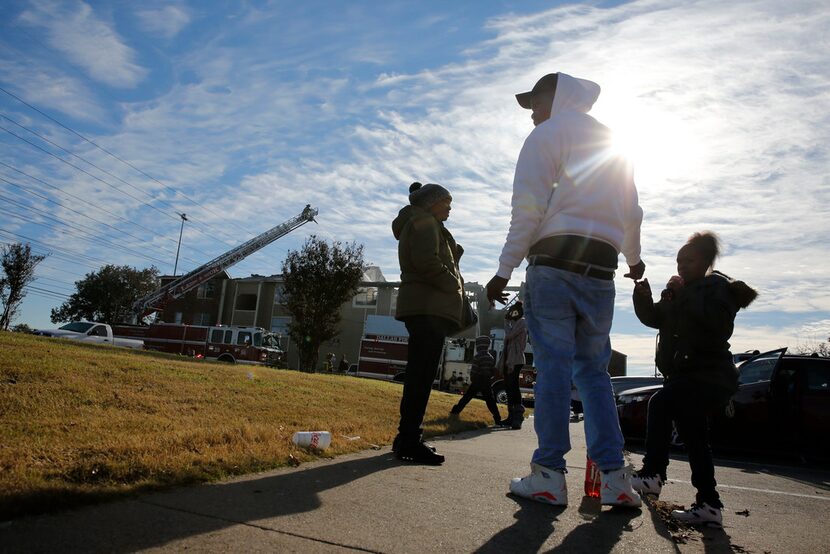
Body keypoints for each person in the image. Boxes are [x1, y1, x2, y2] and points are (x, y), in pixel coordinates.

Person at [486, 72, 645, 507]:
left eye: (536, 103)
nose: (533, 113)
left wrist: (503, 270)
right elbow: (632, 211)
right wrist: (633, 259)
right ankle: (615, 479)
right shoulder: (614, 143)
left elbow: (528, 210)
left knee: (554, 366)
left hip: (554, 266)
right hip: (602, 270)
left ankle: (549, 475)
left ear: (556, 99)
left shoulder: (546, 136)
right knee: (593, 373)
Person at [631, 231, 757, 526]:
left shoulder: (718, 289)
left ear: (706, 262)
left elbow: (717, 326)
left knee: (660, 404)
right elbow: (655, 318)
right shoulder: (683, 291)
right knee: (694, 437)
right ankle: (709, 504)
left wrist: (682, 293)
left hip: (711, 375)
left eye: (689, 260)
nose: (681, 266)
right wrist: (645, 295)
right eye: (678, 261)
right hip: (685, 375)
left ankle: (653, 473)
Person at [392, 181, 465, 465]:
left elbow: (428, 258)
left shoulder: (423, 222)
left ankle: (407, 437)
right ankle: (410, 440)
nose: (449, 208)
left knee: (419, 376)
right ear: (433, 203)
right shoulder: (424, 222)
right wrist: (453, 283)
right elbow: (425, 261)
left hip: (425, 307)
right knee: (420, 377)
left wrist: (452, 259)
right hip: (427, 308)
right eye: (446, 202)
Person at [450, 335, 503, 425]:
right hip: (486, 381)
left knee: (467, 397)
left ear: (478, 346)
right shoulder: (490, 358)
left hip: (477, 380)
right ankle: (497, 418)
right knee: (490, 401)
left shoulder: (477, 356)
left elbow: (474, 369)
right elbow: (491, 370)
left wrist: (472, 378)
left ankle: (455, 411)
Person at [502, 301, 528, 430]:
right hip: (508, 358)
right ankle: (511, 415)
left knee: (514, 386)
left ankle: (518, 416)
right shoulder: (514, 323)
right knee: (508, 387)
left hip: (516, 359)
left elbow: (509, 336)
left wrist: (506, 322)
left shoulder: (522, 322)